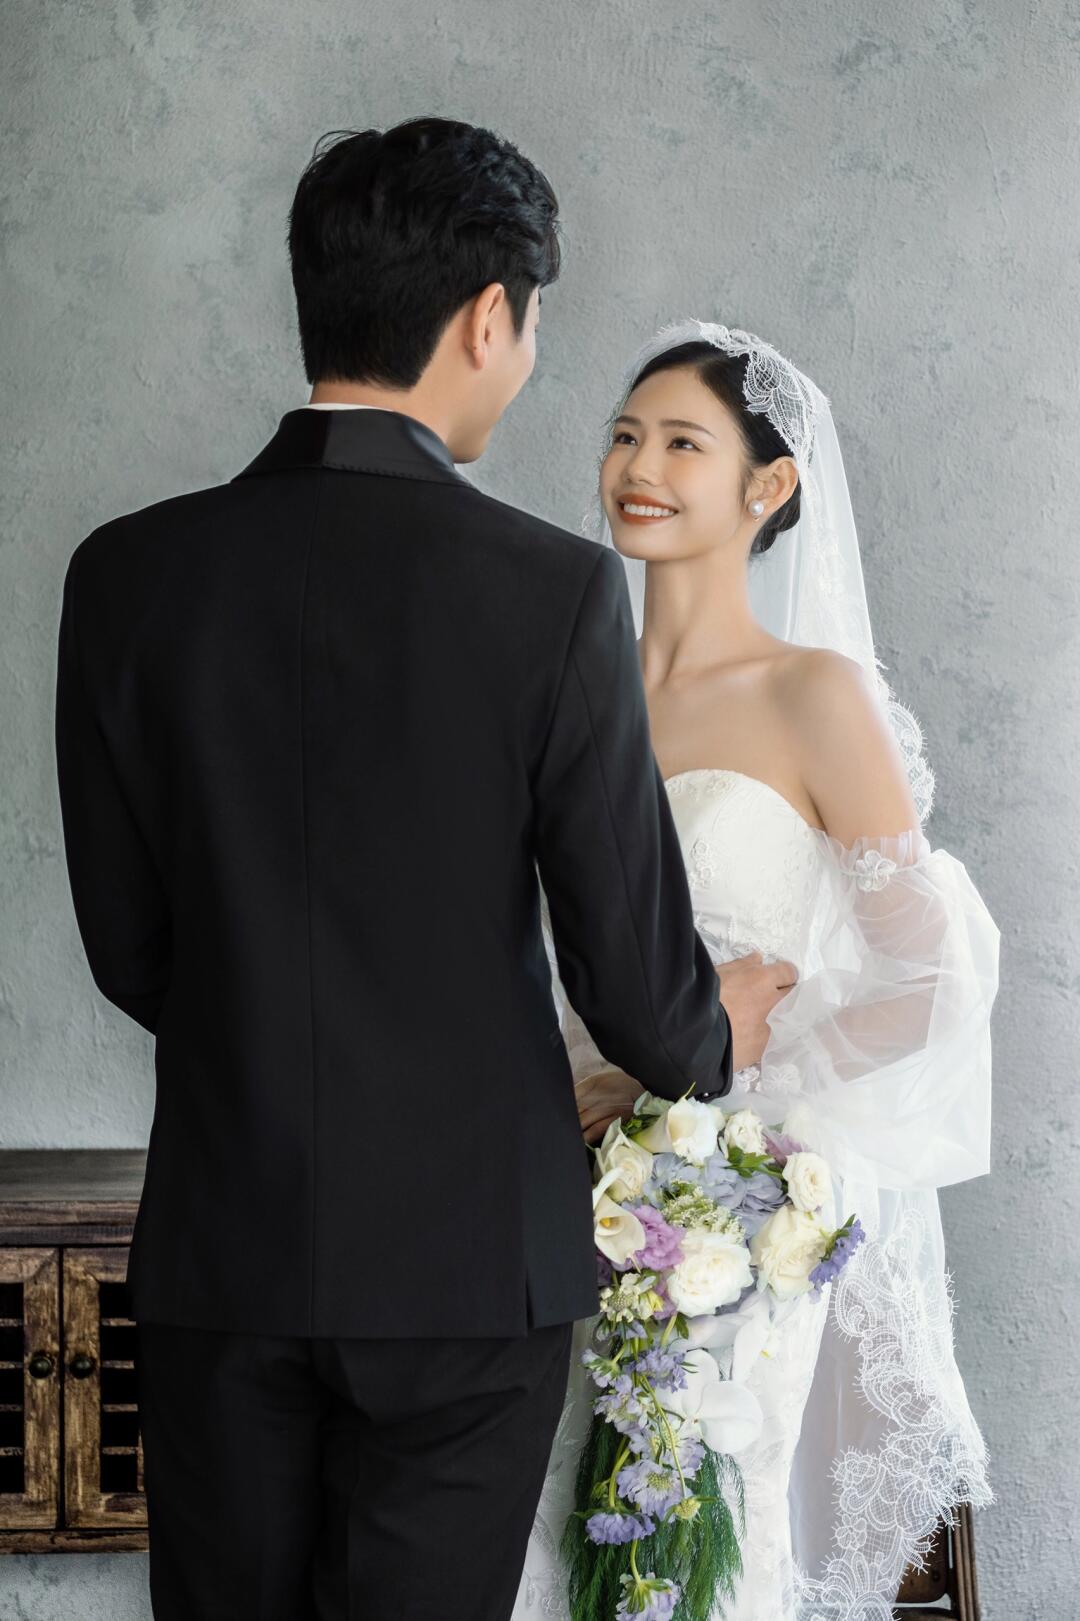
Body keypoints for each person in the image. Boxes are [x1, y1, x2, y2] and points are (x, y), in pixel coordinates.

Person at [52, 122, 793, 1620]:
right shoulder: (551, 591)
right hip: (469, 1268)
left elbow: (131, 949)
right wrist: (712, 1033)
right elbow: (633, 976)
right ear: (486, 317)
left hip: (224, 1247)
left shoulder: (124, 574)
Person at [514, 321, 998, 1620]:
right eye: (625, 434)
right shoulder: (568, 696)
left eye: (683, 441)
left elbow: (931, 978)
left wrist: (734, 1114)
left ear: (768, 484)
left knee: (695, 1553)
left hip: (726, 1213)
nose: (639, 465)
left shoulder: (810, 696)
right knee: (545, 1546)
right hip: (549, 1196)